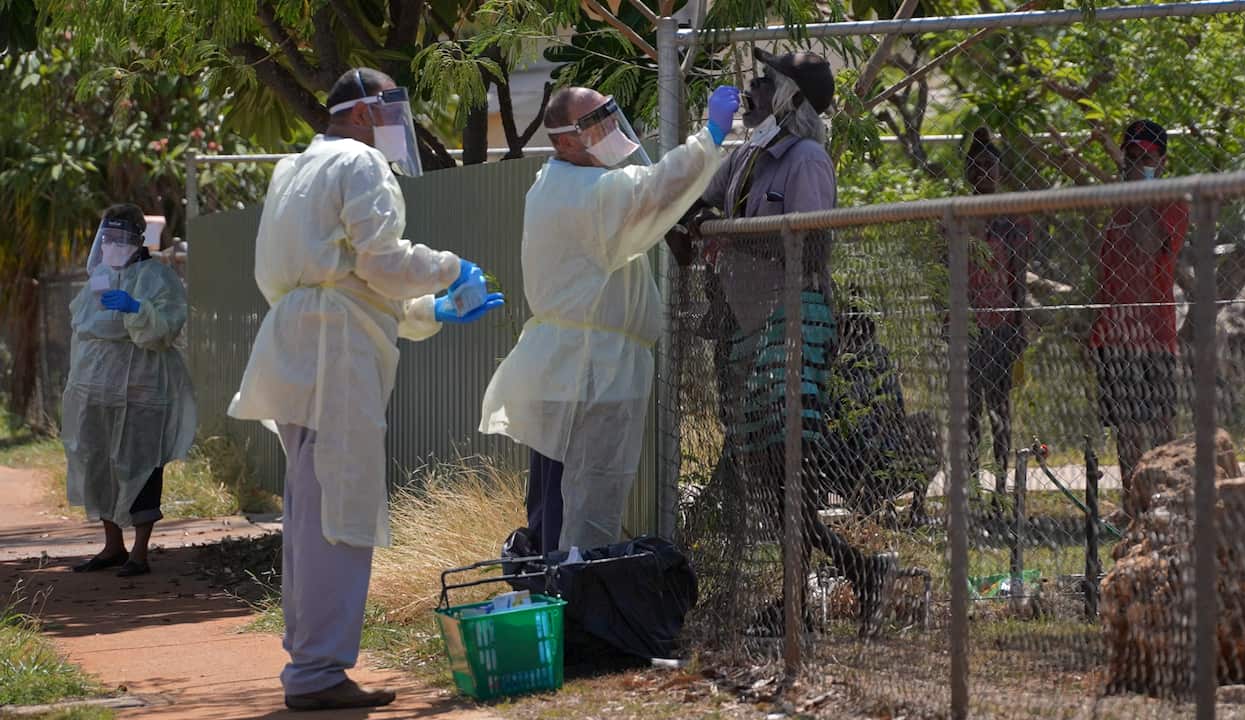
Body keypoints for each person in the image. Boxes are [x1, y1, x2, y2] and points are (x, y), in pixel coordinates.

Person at [227, 68, 503, 711]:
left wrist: (430, 310)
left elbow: (351, 279)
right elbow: (379, 264)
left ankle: (311, 664)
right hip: (335, 358)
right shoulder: (359, 160)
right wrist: (450, 267)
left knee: (308, 514)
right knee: (338, 516)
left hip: (299, 350)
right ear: (360, 112)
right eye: (392, 107)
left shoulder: (293, 168)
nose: (398, 122)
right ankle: (318, 674)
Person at [668, 49, 888, 630]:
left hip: (794, 319)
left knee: (781, 464)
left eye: (767, 81)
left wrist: (734, 237)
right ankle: (859, 570)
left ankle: (795, 609)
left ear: (792, 97)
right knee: (762, 472)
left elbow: (810, 245)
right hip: (744, 324)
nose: (753, 88)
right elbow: (698, 205)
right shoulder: (745, 156)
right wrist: (688, 221)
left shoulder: (808, 159)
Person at [479, 83, 739, 555]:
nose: (609, 128)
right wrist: (711, 136)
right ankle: (567, 600)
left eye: (608, 114)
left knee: (557, 493)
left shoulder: (557, 183)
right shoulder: (584, 193)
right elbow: (654, 188)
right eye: (594, 122)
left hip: (572, 366)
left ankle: (556, 596)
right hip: (588, 371)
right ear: (563, 141)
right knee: (579, 501)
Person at [62, 203, 197, 578]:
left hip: (142, 387)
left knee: (141, 464)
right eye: (109, 237)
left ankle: (139, 553)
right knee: (98, 461)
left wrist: (137, 308)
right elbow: (84, 327)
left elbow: (164, 329)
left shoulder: (158, 277)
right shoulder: (100, 275)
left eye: (121, 238)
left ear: (139, 239)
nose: (113, 245)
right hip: (96, 388)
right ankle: (112, 546)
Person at [1090, 119, 1187, 519]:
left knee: (1161, 424)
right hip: (1116, 335)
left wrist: (1142, 191)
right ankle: (1135, 504)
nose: (1136, 164)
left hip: (1154, 333)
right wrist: (1096, 330)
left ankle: (1168, 500)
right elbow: (1107, 273)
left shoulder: (1172, 202)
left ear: (1161, 161)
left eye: (1146, 157)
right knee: (1125, 429)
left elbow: (1149, 247)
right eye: (1130, 157)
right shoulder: (1116, 207)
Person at [961, 128, 1031, 497]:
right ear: (969, 172)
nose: (985, 172)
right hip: (967, 328)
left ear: (1000, 171)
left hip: (1001, 324)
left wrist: (1020, 326)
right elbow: (947, 275)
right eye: (978, 165)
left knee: (999, 409)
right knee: (968, 412)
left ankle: (1002, 486)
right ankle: (972, 483)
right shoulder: (956, 217)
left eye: (991, 165)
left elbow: (1018, 275)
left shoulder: (1012, 219)